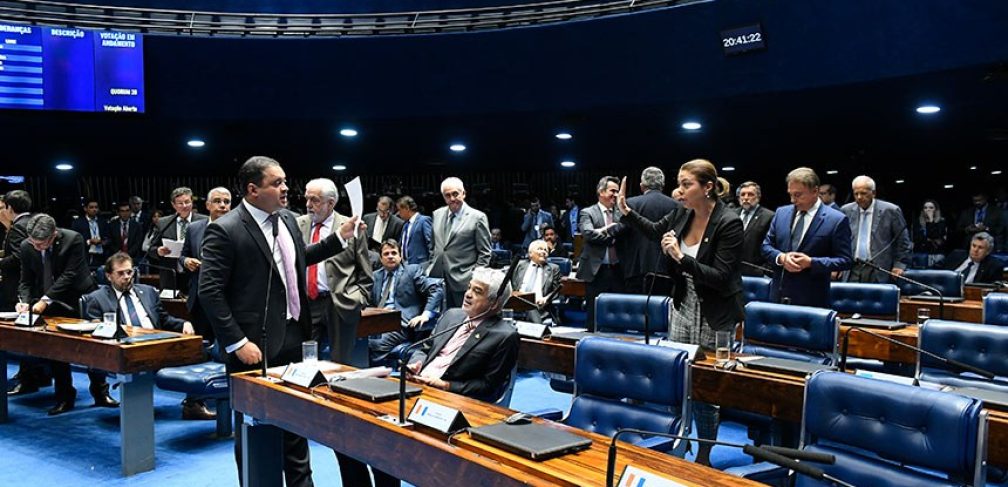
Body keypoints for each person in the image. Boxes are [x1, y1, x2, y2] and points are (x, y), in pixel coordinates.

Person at [199, 156, 359, 487]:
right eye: (277, 183)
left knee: (296, 427)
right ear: (253, 190)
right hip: (252, 347)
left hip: (293, 336)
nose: (286, 188)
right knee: (256, 434)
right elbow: (210, 292)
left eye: (285, 181)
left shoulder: (286, 218)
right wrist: (237, 342)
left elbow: (298, 259)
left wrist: (339, 238)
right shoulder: (225, 229)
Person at [617, 159, 744, 466]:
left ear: (708, 187)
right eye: (679, 183)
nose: (680, 190)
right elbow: (654, 231)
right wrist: (627, 212)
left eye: (687, 184)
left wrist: (679, 257)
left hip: (714, 311)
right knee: (678, 377)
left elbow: (721, 277)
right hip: (683, 303)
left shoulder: (729, 222)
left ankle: (704, 453)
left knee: (704, 388)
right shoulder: (681, 212)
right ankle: (679, 440)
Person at [346, 266, 518, 487]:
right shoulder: (453, 315)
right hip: (415, 387)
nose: (468, 294)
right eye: (469, 288)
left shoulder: (504, 335)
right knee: (351, 429)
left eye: (477, 291)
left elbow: (490, 387)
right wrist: (417, 362)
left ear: (494, 303)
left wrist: (446, 385)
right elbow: (426, 348)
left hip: (449, 402)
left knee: (381, 439)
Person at [81, 253, 214, 420]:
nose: (127, 277)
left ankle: (193, 404)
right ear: (109, 276)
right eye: (120, 273)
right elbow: (96, 332)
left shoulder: (148, 292)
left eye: (129, 272)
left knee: (197, 349)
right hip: (126, 350)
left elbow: (164, 319)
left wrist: (183, 324)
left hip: (157, 345)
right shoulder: (97, 299)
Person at [16, 214, 117, 415]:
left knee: (94, 346)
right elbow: (26, 280)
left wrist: (45, 300)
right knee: (57, 349)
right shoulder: (27, 246)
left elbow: (69, 275)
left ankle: (100, 392)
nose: (37, 247)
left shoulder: (73, 239)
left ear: (54, 234)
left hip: (79, 298)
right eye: (34, 243)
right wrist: (24, 302)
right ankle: (64, 396)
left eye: (42, 244)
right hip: (49, 301)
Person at [297, 178, 373, 364]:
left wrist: (359, 299)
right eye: (307, 199)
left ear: (330, 203)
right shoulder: (297, 225)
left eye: (314, 200)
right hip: (306, 303)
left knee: (342, 363)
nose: (308, 205)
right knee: (304, 362)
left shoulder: (351, 226)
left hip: (340, 303)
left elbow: (365, 270)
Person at [762, 168, 852, 307]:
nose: (793, 200)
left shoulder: (836, 219)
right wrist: (781, 258)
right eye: (790, 194)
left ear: (815, 191)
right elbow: (766, 246)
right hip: (779, 296)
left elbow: (845, 260)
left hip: (812, 299)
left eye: (798, 195)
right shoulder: (781, 213)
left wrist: (811, 262)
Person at [1, 190, 50, 396]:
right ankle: (39, 375)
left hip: (20, 288)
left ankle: (28, 379)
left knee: (23, 336)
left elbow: (18, 258)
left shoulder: (18, 227)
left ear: (10, 208)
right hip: (38, 285)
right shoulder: (34, 222)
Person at [368, 239, 445, 365]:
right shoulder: (375, 276)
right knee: (355, 340)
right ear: (381, 259)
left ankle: (378, 372)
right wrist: (377, 311)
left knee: (375, 344)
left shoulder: (412, 271)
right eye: (386, 254)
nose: (390, 256)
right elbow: (369, 302)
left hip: (401, 323)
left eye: (394, 253)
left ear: (400, 256)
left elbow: (436, 288)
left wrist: (426, 314)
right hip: (377, 321)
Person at [427, 177, 492, 308]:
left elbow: (485, 253)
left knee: (463, 317)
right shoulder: (437, 214)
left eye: (455, 194)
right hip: (439, 278)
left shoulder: (477, 217)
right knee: (443, 317)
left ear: (464, 193)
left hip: (464, 280)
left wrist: (474, 277)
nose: (452, 198)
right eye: (447, 195)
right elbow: (434, 246)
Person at [179, 187, 232, 343]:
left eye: (226, 202)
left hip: (227, 297)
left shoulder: (239, 229)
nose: (222, 205)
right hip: (199, 297)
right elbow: (182, 255)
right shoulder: (194, 228)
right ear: (208, 205)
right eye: (217, 201)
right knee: (202, 344)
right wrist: (186, 261)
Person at [577, 176, 627, 330]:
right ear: (601, 192)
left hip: (618, 269)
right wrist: (611, 238)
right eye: (612, 191)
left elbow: (624, 231)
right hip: (596, 270)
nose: (616, 195)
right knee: (594, 313)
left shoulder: (620, 213)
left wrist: (602, 232)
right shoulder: (588, 212)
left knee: (618, 312)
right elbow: (588, 234)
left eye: (617, 192)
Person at [840, 175, 911, 283]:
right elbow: (840, 241)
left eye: (863, 193)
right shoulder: (846, 210)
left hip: (879, 268)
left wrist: (899, 265)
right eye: (856, 194)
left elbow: (903, 242)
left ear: (873, 193)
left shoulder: (891, 211)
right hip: (852, 268)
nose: (859, 197)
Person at [621, 167, 680, 294]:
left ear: (642, 186)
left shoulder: (630, 204)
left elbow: (621, 232)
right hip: (666, 268)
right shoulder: (676, 206)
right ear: (663, 185)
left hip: (636, 267)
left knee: (635, 305)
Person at [148, 187, 208, 293]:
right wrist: (158, 251)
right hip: (171, 275)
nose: (184, 206)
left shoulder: (204, 221)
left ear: (192, 202)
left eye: (187, 202)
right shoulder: (163, 223)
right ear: (173, 205)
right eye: (180, 203)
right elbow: (150, 249)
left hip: (197, 274)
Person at [511, 239, 561, 323]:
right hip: (518, 301)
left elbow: (556, 291)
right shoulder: (519, 265)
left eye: (545, 250)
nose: (543, 252)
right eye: (540, 249)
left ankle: (537, 326)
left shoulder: (553, 269)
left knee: (530, 306)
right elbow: (508, 283)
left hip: (538, 305)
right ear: (530, 253)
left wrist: (546, 299)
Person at [737, 181, 774, 276]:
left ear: (758, 197)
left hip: (756, 272)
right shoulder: (732, 214)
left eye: (750, 194)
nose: (746, 198)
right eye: (742, 194)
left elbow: (773, 244)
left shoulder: (769, 216)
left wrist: (764, 270)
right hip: (732, 270)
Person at [70, 198, 110, 271]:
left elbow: (109, 237)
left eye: (96, 207)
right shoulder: (78, 222)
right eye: (91, 207)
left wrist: (104, 241)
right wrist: (89, 241)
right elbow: (74, 240)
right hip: (86, 254)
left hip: (101, 254)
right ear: (85, 209)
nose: (94, 209)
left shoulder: (103, 221)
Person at [395, 195, 433, 266]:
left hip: (421, 265)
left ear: (407, 208)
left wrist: (431, 265)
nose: (398, 213)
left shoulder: (423, 221)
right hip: (405, 265)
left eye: (399, 210)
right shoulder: (405, 225)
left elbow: (431, 244)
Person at [912, 199, 948, 268]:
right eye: (925, 208)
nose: (928, 210)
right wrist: (930, 239)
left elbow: (936, 236)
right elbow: (917, 238)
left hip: (936, 254)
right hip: (920, 254)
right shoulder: (918, 222)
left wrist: (931, 221)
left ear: (936, 210)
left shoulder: (941, 222)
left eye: (931, 208)